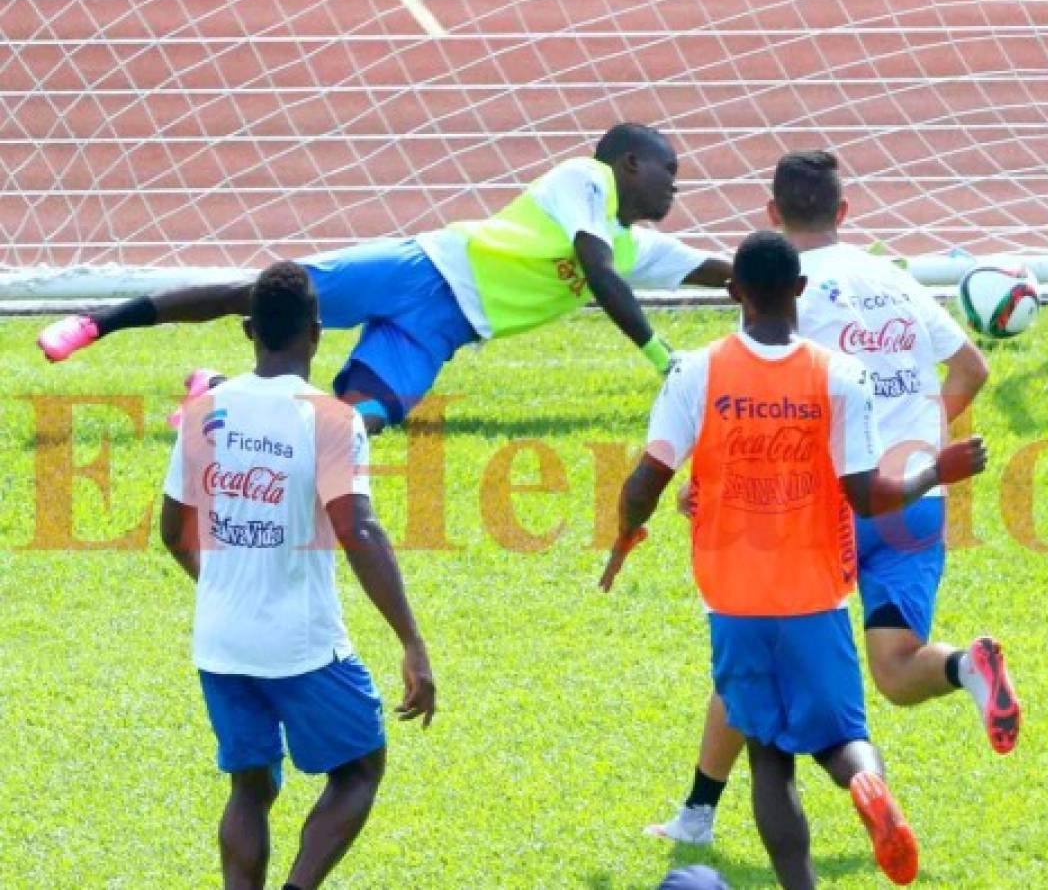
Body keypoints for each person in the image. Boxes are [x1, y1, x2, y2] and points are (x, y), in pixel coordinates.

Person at [647, 150, 1021, 847]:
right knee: (897, 667)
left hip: (824, 506)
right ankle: (966, 667)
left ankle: (699, 813)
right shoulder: (894, 279)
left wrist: (705, 487)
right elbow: (973, 367)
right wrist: (924, 444)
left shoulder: (788, 292)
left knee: (752, 650)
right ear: (845, 213)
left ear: (771, 215)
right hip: (914, 498)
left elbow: (748, 395)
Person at [600, 232, 989, 887]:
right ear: (801, 291)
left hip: (735, 596)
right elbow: (867, 496)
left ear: (734, 293)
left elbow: (645, 483)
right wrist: (933, 473)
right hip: (815, 591)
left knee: (770, 761)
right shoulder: (841, 376)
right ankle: (866, 783)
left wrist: (622, 537)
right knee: (841, 735)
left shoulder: (695, 370)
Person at [38, 122, 732, 433]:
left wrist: (794, 273)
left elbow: (731, 274)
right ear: (632, 164)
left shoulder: (638, 247)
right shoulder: (584, 180)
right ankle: (96, 323)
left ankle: (217, 396)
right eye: (671, 171)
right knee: (259, 291)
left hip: (446, 328)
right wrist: (661, 359)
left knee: (360, 421)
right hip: (424, 269)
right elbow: (596, 268)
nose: (676, 188)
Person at [160, 261, 436, 890]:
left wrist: (223, 586)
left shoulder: (206, 410)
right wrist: (412, 644)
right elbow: (358, 530)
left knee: (249, 787)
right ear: (316, 332)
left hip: (221, 644)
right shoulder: (332, 420)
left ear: (250, 330)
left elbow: (173, 531)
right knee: (361, 767)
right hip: (302, 648)